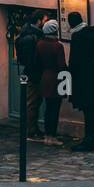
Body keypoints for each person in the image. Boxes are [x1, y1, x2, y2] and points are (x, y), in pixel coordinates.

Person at [66, 12, 94, 152]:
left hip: (84, 78)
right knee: (91, 108)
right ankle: (91, 138)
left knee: (88, 109)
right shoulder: (91, 32)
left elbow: (74, 61)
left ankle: (89, 140)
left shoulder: (77, 36)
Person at [15, 9, 51, 139]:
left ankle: (33, 128)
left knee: (34, 103)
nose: (45, 23)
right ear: (39, 20)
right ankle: (31, 130)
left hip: (32, 73)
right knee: (32, 103)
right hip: (34, 74)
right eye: (45, 20)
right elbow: (32, 60)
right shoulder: (32, 37)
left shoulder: (27, 33)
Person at [35, 20, 66, 145]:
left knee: (48, 108)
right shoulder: (58, 46)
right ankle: (52, 136)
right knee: (55, 108)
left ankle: (47, 135)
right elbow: (62, 65)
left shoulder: (40, 44)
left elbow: (37, 62)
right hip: (56, 78)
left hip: (45, 77)